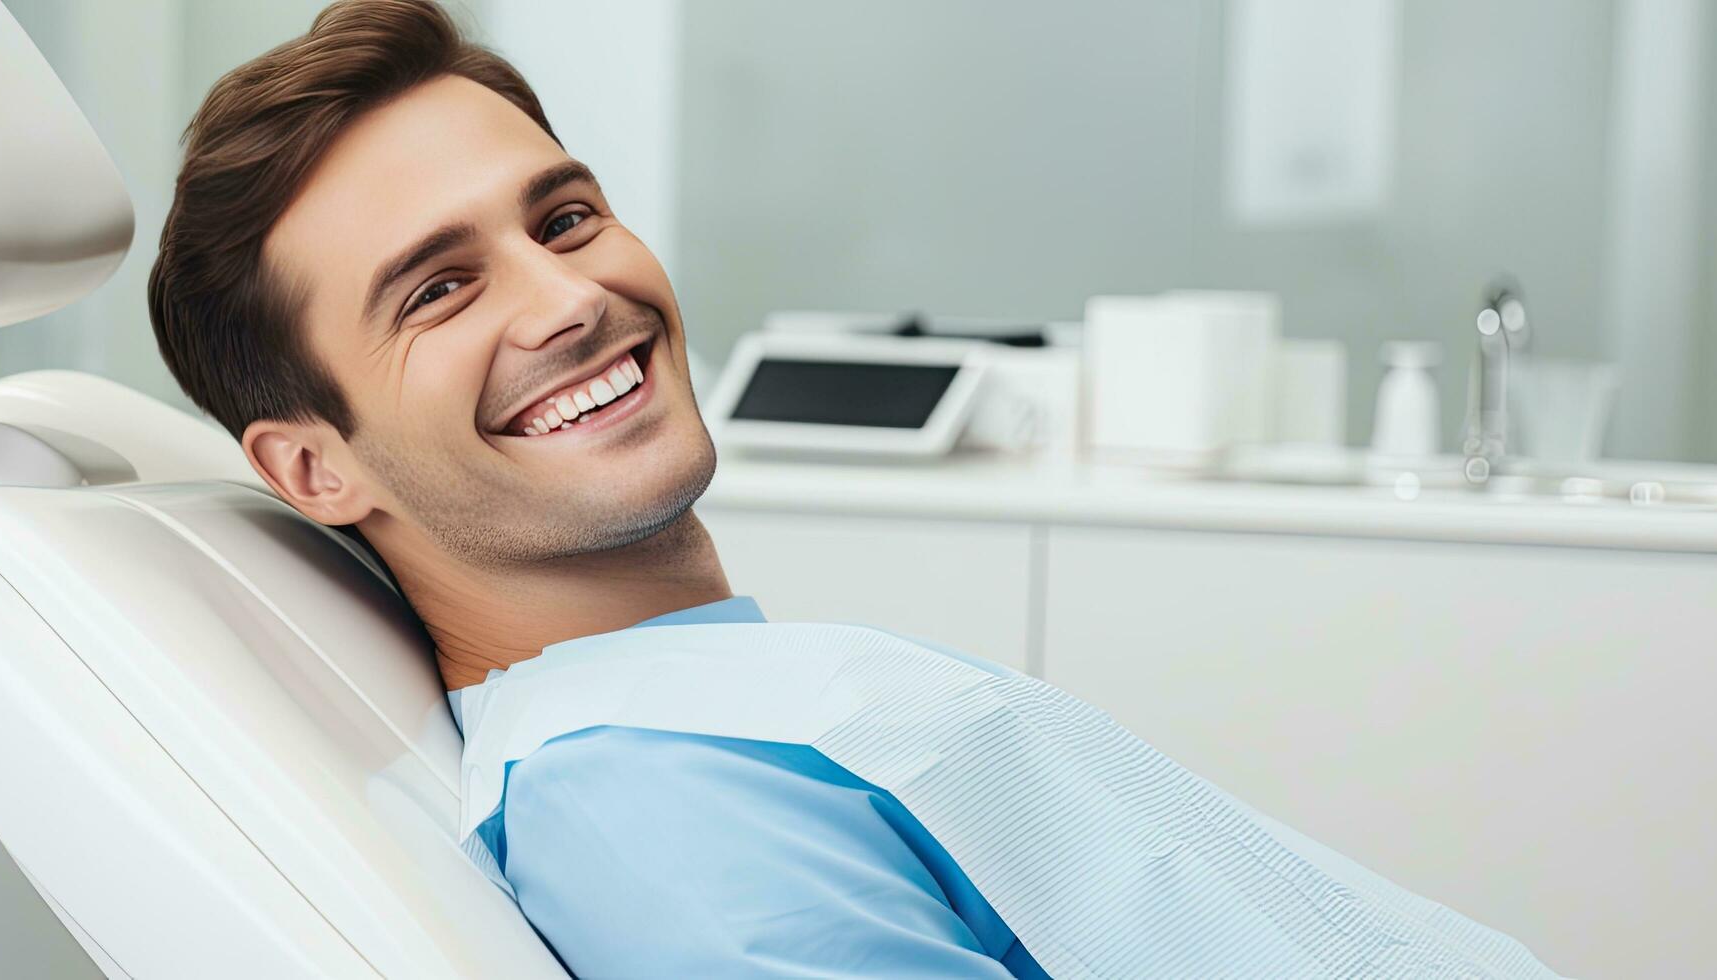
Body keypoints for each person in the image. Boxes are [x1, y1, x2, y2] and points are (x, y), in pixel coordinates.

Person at [146, 3, 1556, 977]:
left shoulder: (705, 698)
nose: (572, 297)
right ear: (312, 468)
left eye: (565, 219)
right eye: (440, 290)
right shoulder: (654, 808)